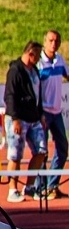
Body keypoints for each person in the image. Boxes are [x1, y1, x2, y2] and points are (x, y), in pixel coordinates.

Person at [4, 40, 47, 201]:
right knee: (15, 154)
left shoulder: (34, 70)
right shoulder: (15, 70)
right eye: (38, 55)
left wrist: (40, 114)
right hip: (18, 118)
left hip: (34, 118)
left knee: (41, 151)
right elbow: (9, 95)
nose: (39, 59)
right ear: (30, 54)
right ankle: (12, 190)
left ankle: (29, 187)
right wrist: (15, 119)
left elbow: (37, 95)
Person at [40, 29, 67, 198]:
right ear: (45, 42)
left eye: (56, 41)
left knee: (63, 148)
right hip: (43, 112)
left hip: (57, 113)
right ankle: (40, 188)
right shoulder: (39, 63)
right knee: (41, 151)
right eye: (50, 40)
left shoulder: (60, 60)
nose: (53, 44)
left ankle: (52, 185)